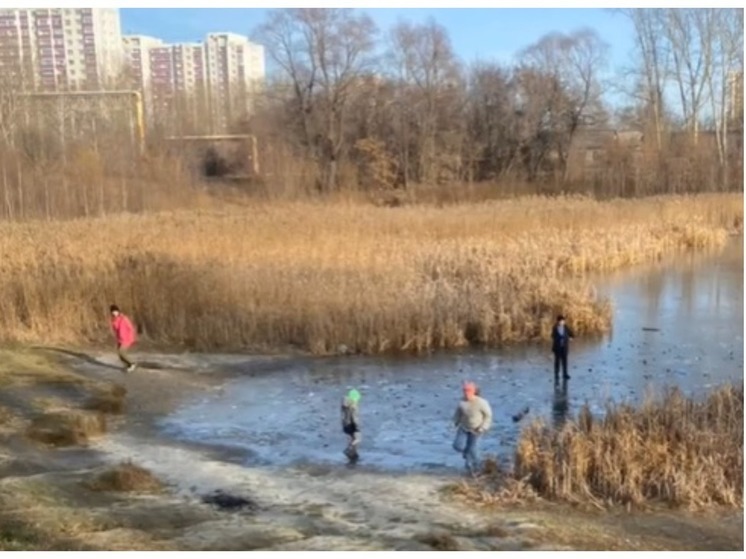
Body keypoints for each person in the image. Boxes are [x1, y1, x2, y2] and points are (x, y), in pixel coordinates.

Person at [452, 381, 492, 476]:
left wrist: (483, 427)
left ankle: (477, 469)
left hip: (477, 430)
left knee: (473, 450)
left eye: (468, 390)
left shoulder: (482, 402)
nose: (466, 392)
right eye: (464, 390)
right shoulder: (462, 402)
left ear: (474, 391)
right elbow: (457, 414)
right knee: (457, 446)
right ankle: (467, 454)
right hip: (464, 428)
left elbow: (488, 416)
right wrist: (454, 423)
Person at [110, 304, 137, 373]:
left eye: (115, 311)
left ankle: (132, 363)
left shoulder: (124, 318)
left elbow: (131, 328)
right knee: (119, 354)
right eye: (113, 311)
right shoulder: (114, 319)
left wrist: (131, 337)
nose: (114, 313)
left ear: (118, 311)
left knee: (121, 352)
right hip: (120, 339)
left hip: (127, 338)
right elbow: (115, 329)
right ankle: (128, 365)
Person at [551, 315, 574, 383]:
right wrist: (558, 338)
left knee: (565, 361)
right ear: (558, 321)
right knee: (557, 362)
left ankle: (565, 374)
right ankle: (556, 374)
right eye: (561, 321)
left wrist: (571, 338)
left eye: (563, 321)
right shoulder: (555, 328)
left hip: (564, 347)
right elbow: (552, 336)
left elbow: (572, 334)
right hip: (557, 347)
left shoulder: (566, 327)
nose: (562, 322)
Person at [341, 388, 361, 462]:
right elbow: (354, 417)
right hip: (352, 424)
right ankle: (349, 450)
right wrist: (357, 427)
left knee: (350, 438)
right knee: (357, 439)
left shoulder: (345, 405)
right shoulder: (353, 407)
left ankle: (353, 454)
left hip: (345, 424)